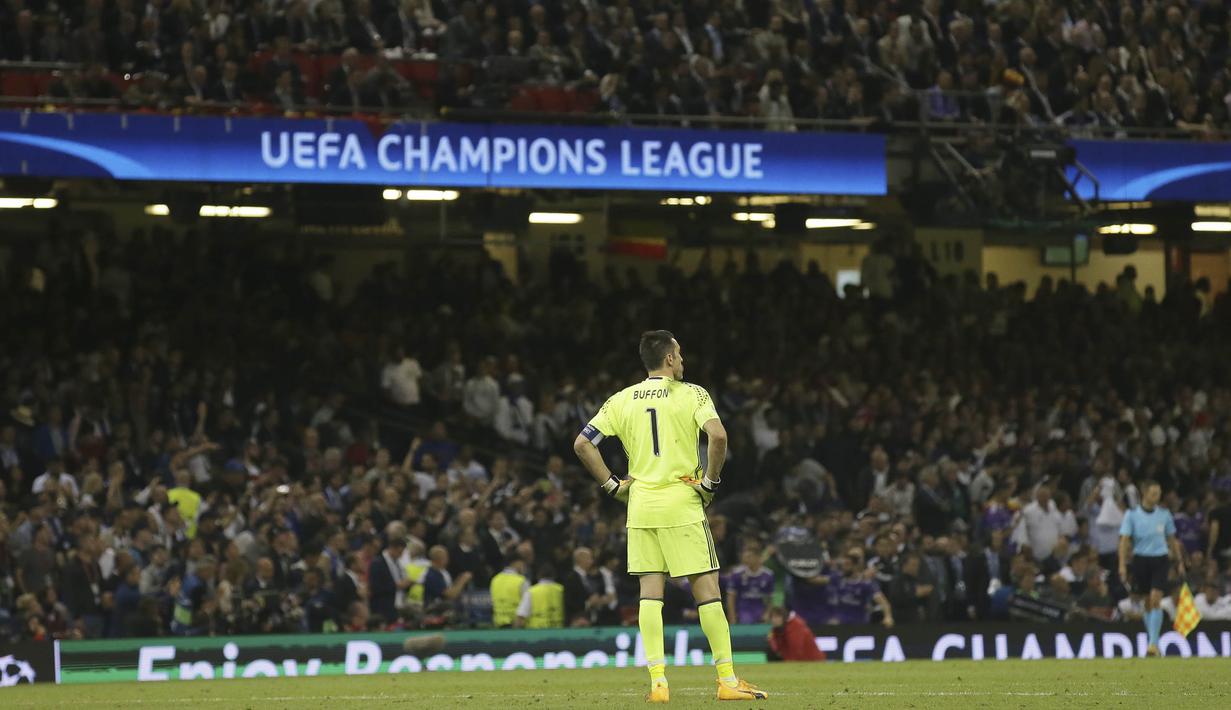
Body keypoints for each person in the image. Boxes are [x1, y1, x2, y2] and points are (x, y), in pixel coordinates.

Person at [574, 330, 766, 702]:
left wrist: (613, 486)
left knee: (650, 592)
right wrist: (710, 483)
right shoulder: (693, 394)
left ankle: (658, 683)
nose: (683, 360)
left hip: (641, 504)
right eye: (679, 354)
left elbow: (582, 444)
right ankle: (727, 680)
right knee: (707, 591)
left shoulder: (621, 399)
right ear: (669, 360)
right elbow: (719, 437)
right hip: (681, 501)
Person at [1118, 480, 1184, 656]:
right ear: (1144, 493)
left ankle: (1153, 644)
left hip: (1160, 560)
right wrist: (1122, 565)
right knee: (1147, 603)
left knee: (1156, 598)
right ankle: (1152, 642)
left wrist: (1179, 561)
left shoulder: (1164, 514)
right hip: (1141, 560)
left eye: (1159, 493)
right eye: (1154, 493)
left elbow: (1172, 540)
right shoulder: (1132, 515)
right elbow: (1124, 541)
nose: (1157, 497)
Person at [517, 563, 565, 628]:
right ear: (554, 575)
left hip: (536, 632)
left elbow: (521, 615)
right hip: (558, 631)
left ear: (538, 575)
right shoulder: (561, 590)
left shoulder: (531, 591)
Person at [490, 557, 529, 628]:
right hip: (516, 625)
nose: (524, 568)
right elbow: (526, 604)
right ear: (517, 563)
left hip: (498, 624)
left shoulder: (495, 579)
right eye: (523, 564)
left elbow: (492, 602)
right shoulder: (521, 581)